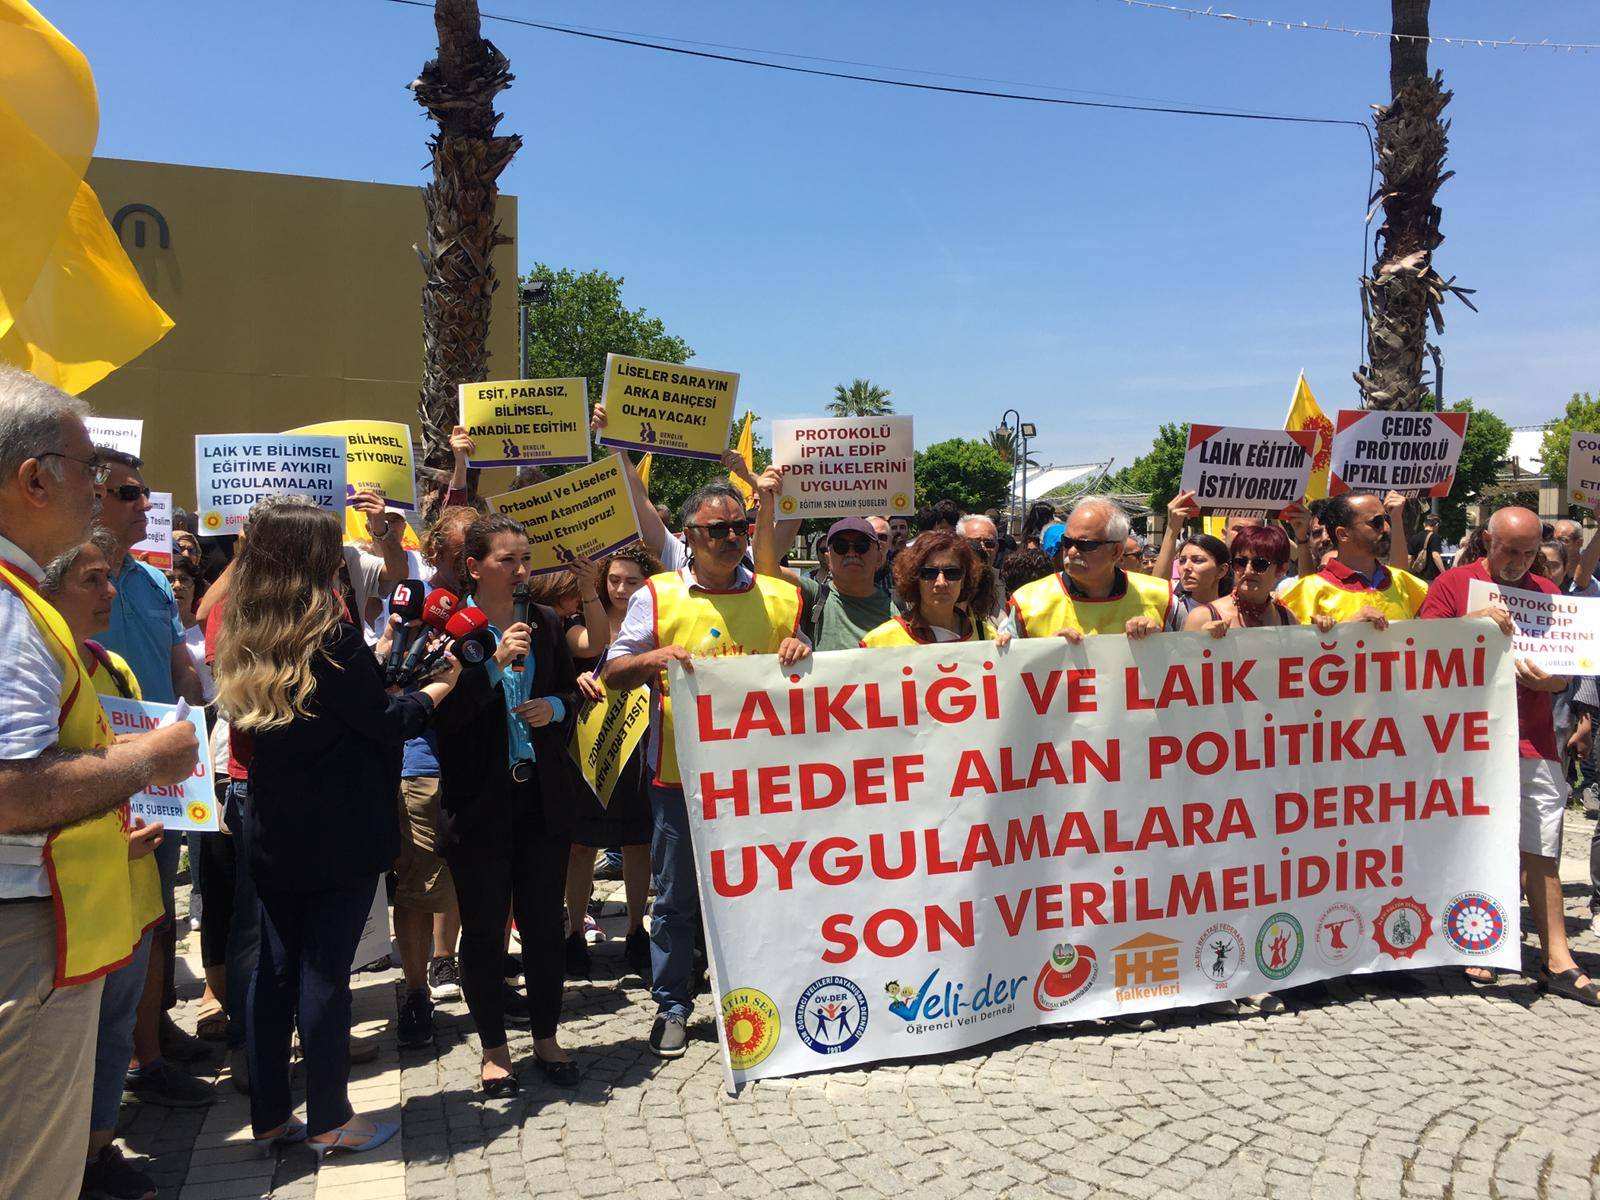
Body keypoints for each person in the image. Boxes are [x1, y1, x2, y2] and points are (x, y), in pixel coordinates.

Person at [0, 365, 198, 1200]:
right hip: (22, 937)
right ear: (33, 478)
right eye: (88, 471)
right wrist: (152, 760)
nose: (102, 489)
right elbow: (9, 790)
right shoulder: (11, 613)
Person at [213, 499, 459, 1155]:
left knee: (275, 972)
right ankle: (329, 1117)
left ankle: (270, 1115)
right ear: (311, 560)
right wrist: (436, 690)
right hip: (340, 827)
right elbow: (382, 721)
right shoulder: (331, 635)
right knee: (325, 974)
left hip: (272, 822)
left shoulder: (245, 627)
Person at [601, 482, 810, 1058]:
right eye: (715, 529)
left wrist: (801, 652)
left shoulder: (782, 598)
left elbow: (808, 675)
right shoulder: (658, 595)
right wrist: (651, 659)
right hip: (679, 777)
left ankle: (764, 991)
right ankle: (672, 1003)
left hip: (762, 782)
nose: (730, 538)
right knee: (676, 897)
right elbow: (615, 668)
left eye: (739, 527)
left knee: (766, 890)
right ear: (689, 536)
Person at [431, 514, 582, 1097]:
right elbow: (442, 716)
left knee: (545, 922)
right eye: (508, 560)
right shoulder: (451, 631)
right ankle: (494, 1047)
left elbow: (571, 689)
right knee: (487, 928)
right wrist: (492, 666)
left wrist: (557, 709)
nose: (522, 571)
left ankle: (546, 1035)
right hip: (479, 801)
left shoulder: (543, 622)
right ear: (474, 567)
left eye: (526, 559)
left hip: (541, 795)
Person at [1419, 506, 1595, 1003]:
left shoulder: (1550, 594)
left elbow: (1567, 672)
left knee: (1543, 845)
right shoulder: (1454, 585)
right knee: (1472, 839)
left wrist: (1553, 682)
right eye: (1509, 550)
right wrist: (1470, 624)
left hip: (1533, 737)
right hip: (1467, 737)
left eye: (1527, 553)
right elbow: (1419, 649)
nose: (1518, 561)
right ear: (1486, 542)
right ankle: (1479, 940)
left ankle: (1557, 957)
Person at [39, 530, 169, 1200]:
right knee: (65, 1053)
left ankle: (96, 1151)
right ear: (47, 591)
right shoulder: (35, 676)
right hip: (66, 902)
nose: (110, 590)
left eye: (107, 577)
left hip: (131, 894)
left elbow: (139, 766)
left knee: (113, 1034)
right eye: (92, 580)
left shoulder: (112, 667)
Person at [394, 505, 476, 1048]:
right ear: (439, 552)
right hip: (423, 765)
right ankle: (416, 991)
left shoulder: (492, 604)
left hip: (481, 764)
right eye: (466, 546)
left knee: (477, 879)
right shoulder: (416, 607)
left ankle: (470, 970)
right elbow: (392, 679)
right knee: (419, 886)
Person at [564, 544, 662, 982]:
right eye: (614, 580)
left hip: (640, 743)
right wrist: (580, 676)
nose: (622, 589)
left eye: (632, 582)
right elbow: (571, 662)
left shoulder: (657, 624)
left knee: (637, 843)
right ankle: (574, 932)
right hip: (590, 744)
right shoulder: (582, 623)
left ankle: (638, 931)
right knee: (581, 845)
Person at [754, 467, 894, 650]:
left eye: (861, 546)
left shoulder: (903, 605)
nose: (851, 553)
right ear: (827, 558)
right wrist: (766, 504)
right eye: (841, 547)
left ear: (878, 556)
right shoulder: (815, 596)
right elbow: (765, 569)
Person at [1008, 495, 1179, 642]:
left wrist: (1160, 643)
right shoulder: (1027, 603)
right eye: (1067, 542)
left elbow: (1194, 658)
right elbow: (1003, 668)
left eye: (1086, 545)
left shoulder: (1163, 599)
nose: (1072, 552)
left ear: (1116, 551)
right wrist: (1047, 653)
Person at [1279, 493, 1429, 629]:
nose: (1386, 528)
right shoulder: (1307, 592)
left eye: (1386, 519)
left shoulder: (1405, 583)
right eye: (1376, 522)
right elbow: (1293, 651)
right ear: (1343, 534)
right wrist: (1348, 626)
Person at [860, 532, 995, 645]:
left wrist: (1007, 652)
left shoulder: (987, 637)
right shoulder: (881, 642)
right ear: (914, 578)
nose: (941, 583)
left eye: (952, 573)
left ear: (964, 579)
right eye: (929, 573)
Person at [1184, 527, 1296, 635]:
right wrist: (1200, 640)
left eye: (1259, 564)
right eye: (1240, 562)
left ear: (1281, 570)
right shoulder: (1203, 617)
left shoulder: (1287, 619)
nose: (1247, 571)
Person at [957, 512, 1005, 619]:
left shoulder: (1007, 583)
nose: (982, 548)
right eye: (974, 542)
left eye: (989, 543)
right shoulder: (949, 582)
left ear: (996, 548)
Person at [1408, 512, 1448, 582]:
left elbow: (1409, 558)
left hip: (1417, 578)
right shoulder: (1434, 537)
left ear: (1424, 524)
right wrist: (1444, 573)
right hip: (1431, 577)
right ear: (1437, 525)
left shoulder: (1414, 538)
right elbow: (1435, 556)